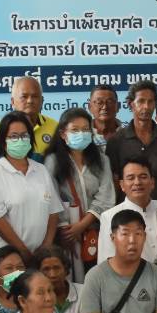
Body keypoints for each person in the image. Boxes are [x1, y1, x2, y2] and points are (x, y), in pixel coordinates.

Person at [0, 111, 60, 261]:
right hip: (8, 258)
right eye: (13, 136)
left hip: (39, 256)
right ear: (3, 142)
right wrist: (23, 251)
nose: (20, 140)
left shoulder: (41, 170)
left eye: (24, 136)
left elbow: (54, 211)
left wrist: (46, 247)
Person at [47, 107, 113, 281]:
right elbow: (50, 197)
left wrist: (82, 225)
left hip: (96, 231)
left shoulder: (102, 159)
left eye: (85, 130)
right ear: (63, 134)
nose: (81, 134)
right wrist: (66, 229)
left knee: (97, 278)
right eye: (75, 130)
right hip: (65, 235)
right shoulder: (52, 161)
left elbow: (106, 195)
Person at [106, 80, 157, 203]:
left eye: (150, 102)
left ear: (155, 104)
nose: (146, 107)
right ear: (131, 104)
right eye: (141, 101)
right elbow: (115, 181)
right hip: (127, 214)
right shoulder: (116, 140)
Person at [98, 155, 157, 269]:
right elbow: (105, 262)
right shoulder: (109, 216)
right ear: (122, 185)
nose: (137, 182)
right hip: (132, 283)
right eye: (130, 178)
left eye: (143, 176)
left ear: (152, 182)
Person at [0, 76, 59, 159]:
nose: (30, 101)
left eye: (35, 96)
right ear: (13, 101)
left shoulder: (55, 127)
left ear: (42, 100)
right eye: (24, 97)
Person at [35, 245, 78, 313]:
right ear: (38, 273)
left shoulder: (84, 293)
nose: (52, 275)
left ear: (65, 269)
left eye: (57, 268)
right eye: (46, 269)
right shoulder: (34, 301)